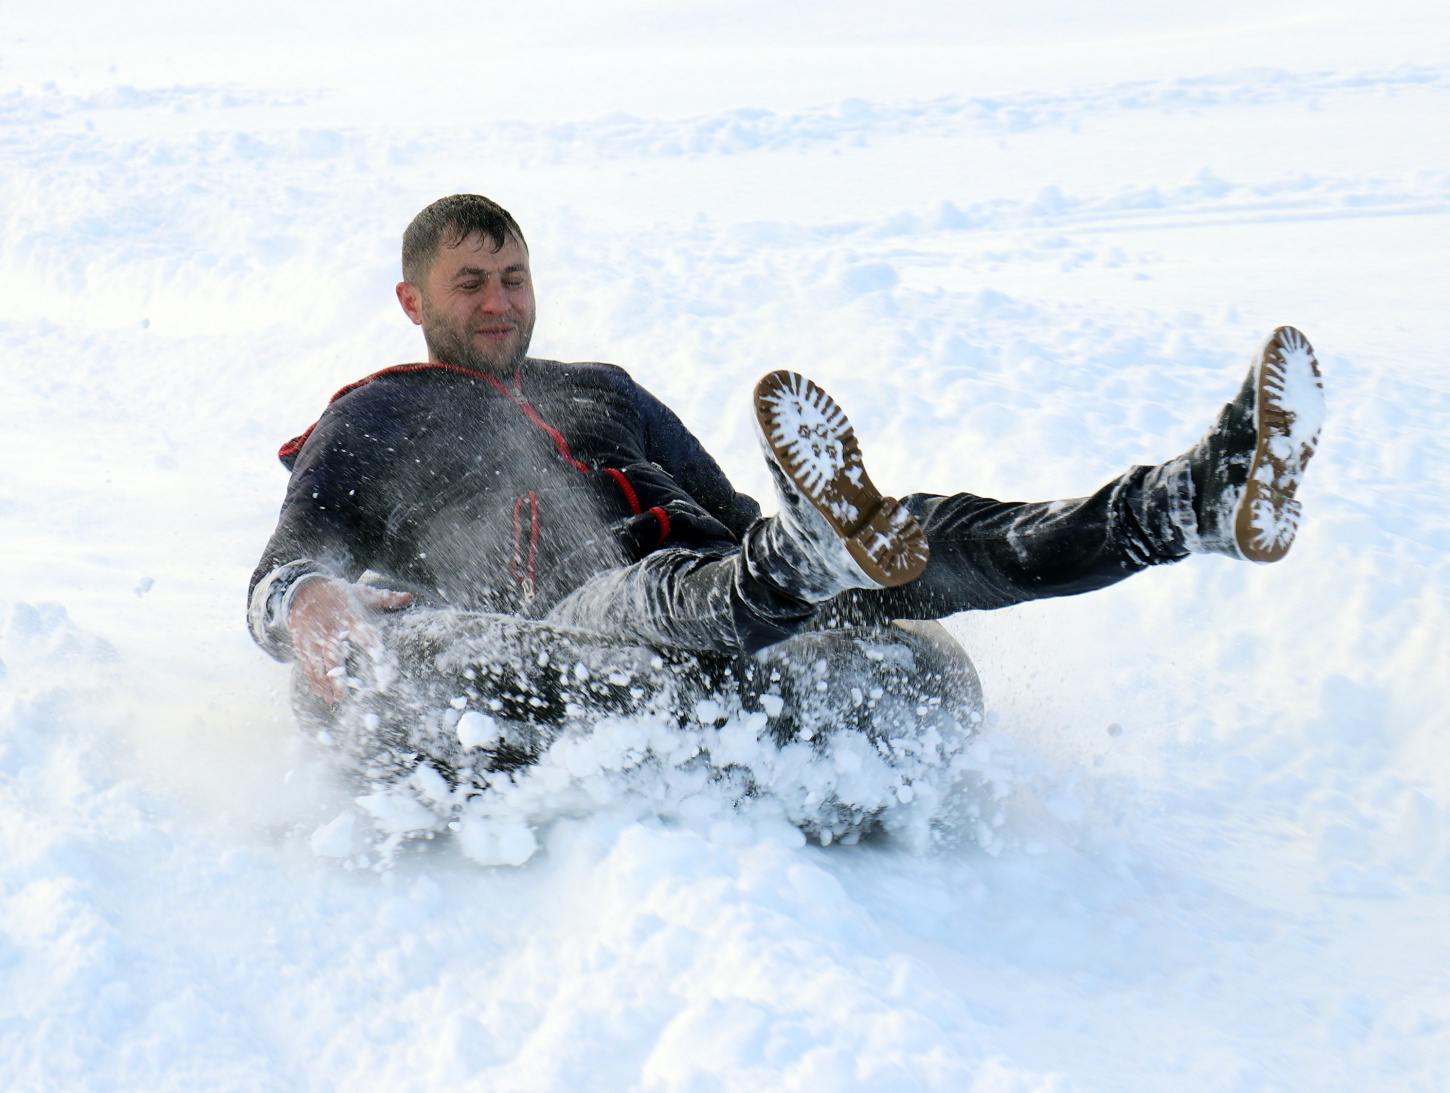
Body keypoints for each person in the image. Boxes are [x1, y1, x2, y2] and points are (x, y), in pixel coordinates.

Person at [247, 194, 1323, 814]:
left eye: (514, 277)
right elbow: (287, 565)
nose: (499, 302)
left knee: (905, 537)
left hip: (731, 604)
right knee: (665, 591)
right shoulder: (378, 414)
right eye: (472, 282)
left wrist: (833, 564)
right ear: (414, 299)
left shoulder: (603, 390)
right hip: (572, 629)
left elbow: (723, 514)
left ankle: (1179, 506)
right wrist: (305, 600)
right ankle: (798, 569)